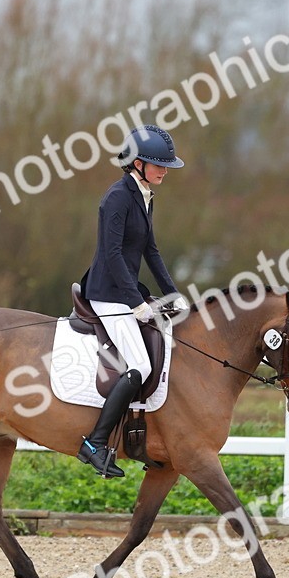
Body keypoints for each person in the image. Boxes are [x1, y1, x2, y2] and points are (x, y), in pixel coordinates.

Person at [76, 124, 189, 478]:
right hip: (108, 295)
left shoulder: (143, 195)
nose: (164, 170)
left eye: (166, 164)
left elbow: (150, 252)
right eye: (158, 164)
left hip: (127, 292)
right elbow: (110, 254)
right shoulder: (117, 198)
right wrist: (134, 302)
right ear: (136, 163)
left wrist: (172, 293)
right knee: (139, 366)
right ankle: (94, 443)